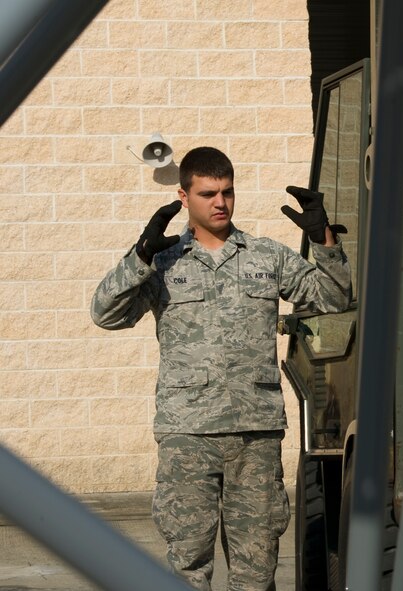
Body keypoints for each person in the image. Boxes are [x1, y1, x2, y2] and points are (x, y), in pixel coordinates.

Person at [91, 146, 352, 590]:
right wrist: (139, 257)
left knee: (257, 566)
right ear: (184, 195)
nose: (220, 203)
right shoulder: (164, 262)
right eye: (209, 193)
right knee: (188, 560)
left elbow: (334, 298)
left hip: (255, 434)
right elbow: (106, 314)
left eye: (227, 192)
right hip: (188, 433)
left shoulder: (266, 256)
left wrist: (324, 240)